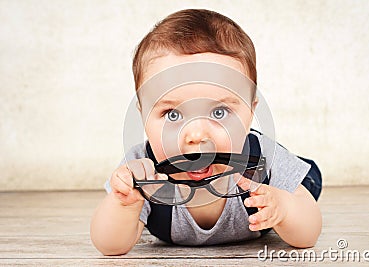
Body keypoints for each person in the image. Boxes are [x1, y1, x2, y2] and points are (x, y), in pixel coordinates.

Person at [90, 9, 322, 256]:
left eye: (219, 112)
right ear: (143, 114)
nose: (196, 135)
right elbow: (109, 246)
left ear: (250, 112)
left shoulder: (264, 158)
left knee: (304, 188)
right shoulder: (142, 169)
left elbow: (308, 235)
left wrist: (284, 208)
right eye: (173, 115)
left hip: (279, 186)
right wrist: (125, 205)